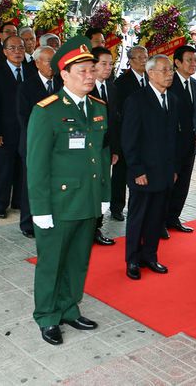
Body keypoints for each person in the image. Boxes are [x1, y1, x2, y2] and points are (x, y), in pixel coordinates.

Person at [27, 35, 110, 346]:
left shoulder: (99, 108)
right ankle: (47, 315)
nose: (90, 77)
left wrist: (104, 196)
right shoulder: (46, 111)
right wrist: (40, 210)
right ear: (63, 74)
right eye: (82, 72)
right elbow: (36, 166)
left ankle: (68, 307)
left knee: (78, 260)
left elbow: (101, 155)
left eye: (92, 70)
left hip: (87, 198)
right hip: (58, 203)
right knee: (52, 262)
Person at [122, 54, 179, 280]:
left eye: (171, 70)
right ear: (151, 73)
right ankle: (133, 259)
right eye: (164, 70)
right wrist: (137, 170)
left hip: (164, 172)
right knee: (138, 217)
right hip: (143, 173)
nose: (169, 74)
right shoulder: (137, 100)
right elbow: (129, 139)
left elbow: (174, 139)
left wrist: (174, 168)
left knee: (156, 217)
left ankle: (150, 255)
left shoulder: (172, 100)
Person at [16, 45, 62, 238]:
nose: (52, 66)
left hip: (59, 145)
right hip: (34, 144)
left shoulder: (62, 83)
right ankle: (28, 223)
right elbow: (24, 118)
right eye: (48, 61)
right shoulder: (26, 86)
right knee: (32, 184)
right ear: (36, 63)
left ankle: (52, 219)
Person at [0, 34, 27, 219]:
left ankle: (18, 200)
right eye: (12, 48)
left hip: (25, 130)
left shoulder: (31, 71)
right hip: (4, 130)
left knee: (22, 167)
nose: (17, 52)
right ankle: (0, 203)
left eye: (21, 47)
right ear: (4, 52)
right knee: (4, 169)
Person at [167, 45, 196, 234]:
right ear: (177, 62)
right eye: (189, 60)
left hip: (190, 146)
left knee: (183, 185)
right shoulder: (168, 83)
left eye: (195, 60)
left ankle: (174, 218)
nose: (194, 64)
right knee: (168, 185)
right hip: (172, 146)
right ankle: (160, 222)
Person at [111, 45, 150, 222]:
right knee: (121, 173)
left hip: (146, 135)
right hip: (126, 135)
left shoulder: (151, 79)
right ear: (131, 61)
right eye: (140, 58)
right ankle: (117, 207)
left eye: (146, 57)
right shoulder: (121, 82)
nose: (144, 60)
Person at [88, 46, 119, 246]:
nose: (108, 68)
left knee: (101, 187)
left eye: (111, 64)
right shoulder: (86, 88)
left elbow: (116, 121)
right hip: (88, 149)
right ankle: (85, 228)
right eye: (104, 64)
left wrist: (115, 148)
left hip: (106, 148)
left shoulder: (112, 87)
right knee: (88, 187)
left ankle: (96, 227)